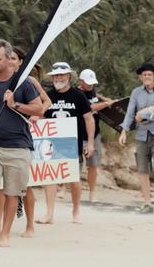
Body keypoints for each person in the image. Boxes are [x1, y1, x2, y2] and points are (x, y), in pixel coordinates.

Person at [0, 39, 43, 247]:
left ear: (8, 59)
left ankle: (5, 233)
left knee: (12, 192)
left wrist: (14, 104)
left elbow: (39, 109)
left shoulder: (23, 83)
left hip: (19, 146)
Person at [35, 63, 94, 225]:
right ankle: (49, 214)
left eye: (62, 75)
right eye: (55, 75)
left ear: (69, 76)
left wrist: (90, 143)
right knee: (50, 179)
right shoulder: (47, 97)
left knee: (74, 180)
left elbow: (89, 119)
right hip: (51, 144)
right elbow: (41, 117)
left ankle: (76, 210)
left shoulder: (78, 96)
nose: (58, 78)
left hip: (72, 145)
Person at [10, 47, 52, 237]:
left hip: (24, 136)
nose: (9, 61)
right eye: (7, 58)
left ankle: (29, 226)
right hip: (3, 137)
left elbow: (47, 102)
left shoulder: (30, 81)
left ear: (21, 62)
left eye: (13, 58)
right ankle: (6, 224)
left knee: (25, 184)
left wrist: (36, 114)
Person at [119, 63, 154, 214]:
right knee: (142, 169)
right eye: (144, 75)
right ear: (140, 77)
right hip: (142, 135)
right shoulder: (136, 92)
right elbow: (130, 113)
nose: (146, 77)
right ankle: (147, 203)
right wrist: (124, 131)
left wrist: (144, 116)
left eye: (149, 74)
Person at [76, 69, 114, 202]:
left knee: (93, 165)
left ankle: (92, 193)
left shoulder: (91, 90)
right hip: (79, 134)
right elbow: (90, 107)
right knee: (75, 164)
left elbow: (94, 95)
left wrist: (104, 99)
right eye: (88, 83)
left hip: (95, 134)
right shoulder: (77, 93)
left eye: (92, 83)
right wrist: (105, 104)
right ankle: (66, 189)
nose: (91, 85)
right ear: (81, 81)